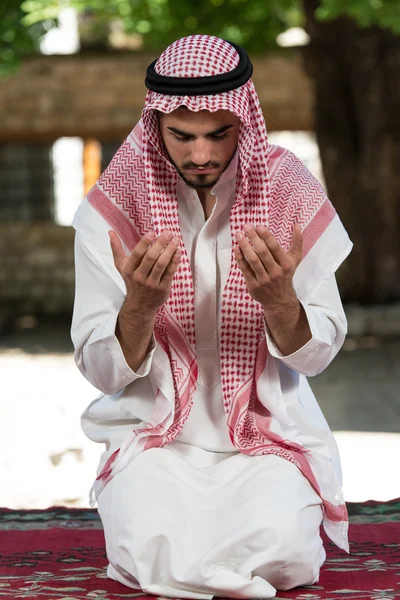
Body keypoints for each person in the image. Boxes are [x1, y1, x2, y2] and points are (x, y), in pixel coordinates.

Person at [71, 35, 352, 598]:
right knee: (147, 539)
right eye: (182, 136)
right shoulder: (115, 203)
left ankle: (202, 577)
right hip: (156, 440)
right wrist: (139, 309)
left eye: (219, 135)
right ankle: (215, 576)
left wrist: (279, 301)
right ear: (156, 127)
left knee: (285, 546)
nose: (201, 154)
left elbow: (321, 352)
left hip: (266, 439)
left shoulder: (288, 189)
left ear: (244, 121)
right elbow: (101, 372)